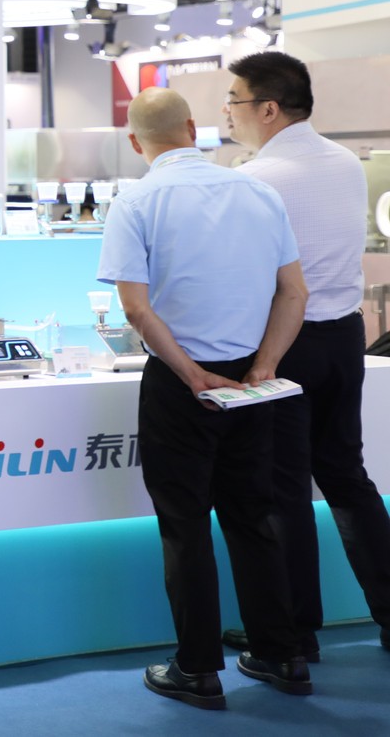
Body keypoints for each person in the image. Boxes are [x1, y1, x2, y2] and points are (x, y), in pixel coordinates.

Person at [97, 86, 310, 708]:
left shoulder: (136, 200)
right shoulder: (258, 192)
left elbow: (136, 310)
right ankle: (282, 653)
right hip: (251, 381)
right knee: (253, 515)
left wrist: (191, 375)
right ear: (193, 129)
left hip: (179, 381)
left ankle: (196, 668)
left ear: (135, 142)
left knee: (184, 524)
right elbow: (294, 292)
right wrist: (264, 367)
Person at [221, 52, 390, 659]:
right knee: (347, 477)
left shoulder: (255, 179)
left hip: (283, 342)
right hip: (344, 338)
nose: (228, 113)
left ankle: (292, 634)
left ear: (268, 109)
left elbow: (244, 273)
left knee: (282, 489)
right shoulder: (345, 162)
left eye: (234, 101)